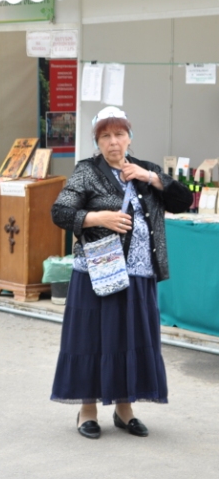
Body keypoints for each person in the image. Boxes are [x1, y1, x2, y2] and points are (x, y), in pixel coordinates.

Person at [50, 106, 191, 439]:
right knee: (91, 338)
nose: (113, 142)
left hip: (139, 272)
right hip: (98, 272)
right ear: (97, 141)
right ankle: (87, 409)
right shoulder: (87, 171)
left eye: (119, 134)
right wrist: (98, 218)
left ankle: (124, 409)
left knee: (131, 338)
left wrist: (151, 178)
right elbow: (60, 212)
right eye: (105, 136)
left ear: (129, 137)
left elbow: (183, 200)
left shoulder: (147, 170)